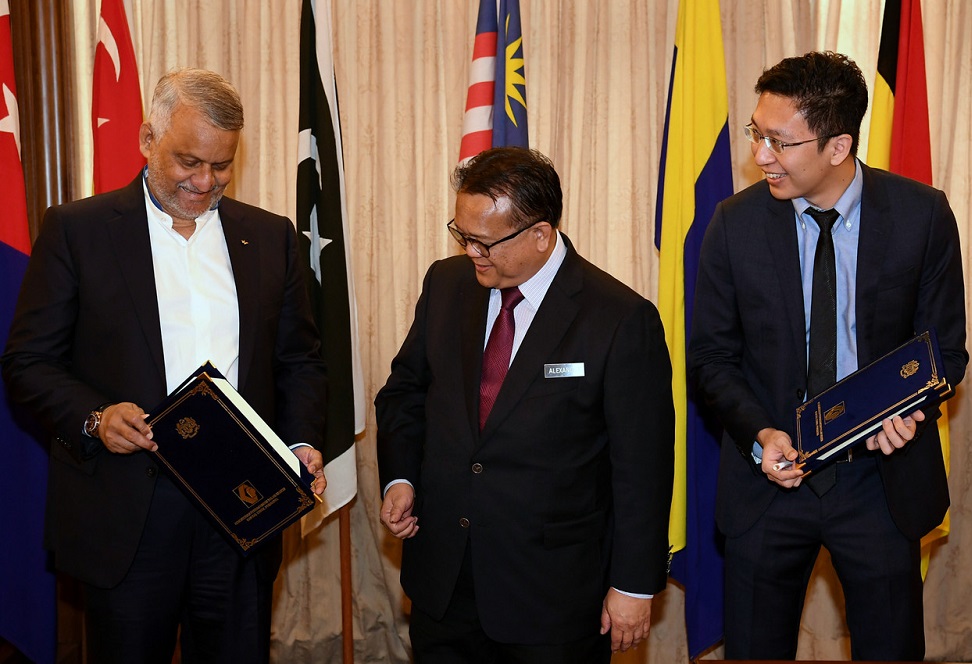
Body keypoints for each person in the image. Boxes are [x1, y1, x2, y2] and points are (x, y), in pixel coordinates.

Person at [1, 68, 327, 664]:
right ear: (148, 138)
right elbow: (27, 362)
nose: (205, 181)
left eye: (221, 166)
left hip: (241, 509)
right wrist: (95, 417)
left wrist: (302, 441)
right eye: (187, 161)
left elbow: (299, 359)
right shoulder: (78, 230)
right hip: (129, 515)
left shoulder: (270, 237)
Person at [688, 51, 968, 659]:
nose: (761, 154)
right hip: (768, 481)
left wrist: (910, 410)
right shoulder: (732, 224)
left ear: (838, 146)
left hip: (879, 481)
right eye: (757, 134)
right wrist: (761, 432)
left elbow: (944, 351)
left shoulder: (922, 215)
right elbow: (710, 356)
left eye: (779, 142)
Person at [375, 147, 674, 662]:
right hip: (444, 582)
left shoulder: (620, 319)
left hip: (552, 595)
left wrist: (633, 585)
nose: (471, 252)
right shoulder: (446, 286)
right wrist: (401, 477)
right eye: (462, 235)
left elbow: (641, 467)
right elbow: (405, 392)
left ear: (541, 234)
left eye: (484, 241)